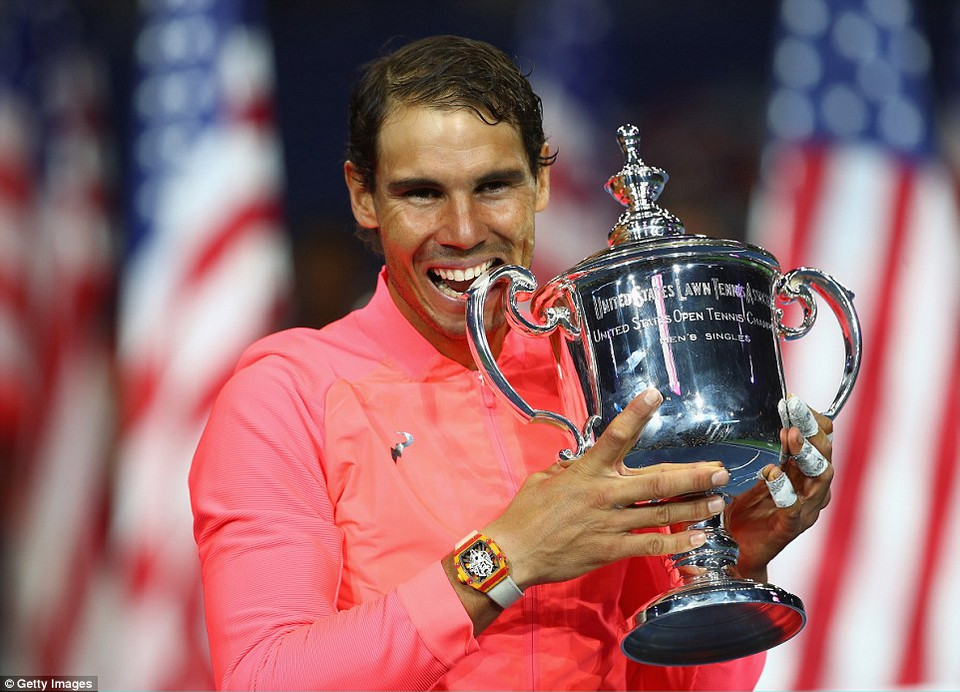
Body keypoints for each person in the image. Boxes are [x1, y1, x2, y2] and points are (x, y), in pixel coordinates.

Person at [189, 35, 835, 691]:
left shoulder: (601, 366)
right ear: (363, 195)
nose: (464, 230)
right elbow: (264, 676)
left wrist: (734, 570)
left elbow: (676, 682)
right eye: (421, 193)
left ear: (542, 182)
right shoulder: (286, 392)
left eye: (494, 186)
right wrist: (507, 557)